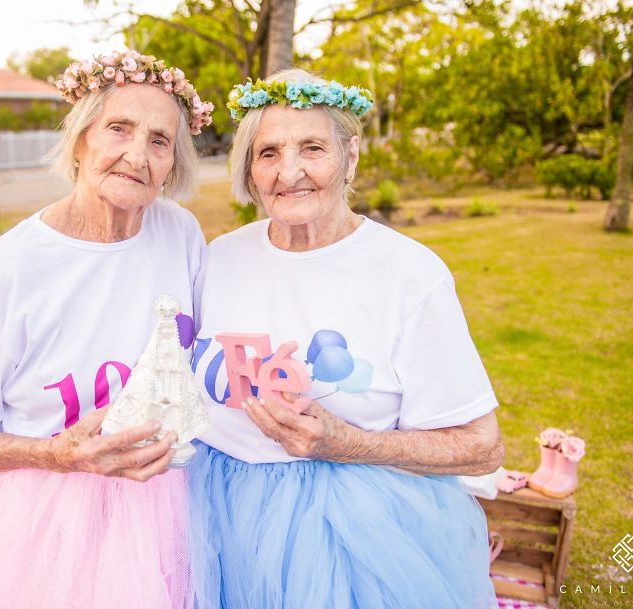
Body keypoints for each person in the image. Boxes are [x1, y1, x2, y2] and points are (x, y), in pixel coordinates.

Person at [0, 50, 213, 609]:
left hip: (172, 503)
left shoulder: (181, 233)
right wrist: (57, 455)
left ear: (174, 161)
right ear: (81, 138)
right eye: (119, 128)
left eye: (159, 140)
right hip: (45, 526)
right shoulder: (12, 268)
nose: (137, 155)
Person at [188, 69, 504, 609]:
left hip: (355, 533)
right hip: (211, 520)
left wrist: (346, 442)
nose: (290, 173)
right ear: (249, 168)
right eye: (268, 153)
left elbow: (481, 447)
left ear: (350, 156)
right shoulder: (217, 258)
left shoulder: (409, 273)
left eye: (312, 147)